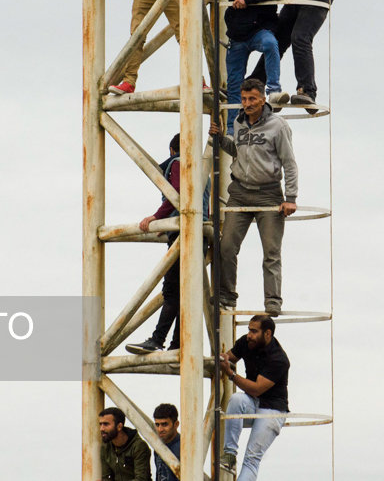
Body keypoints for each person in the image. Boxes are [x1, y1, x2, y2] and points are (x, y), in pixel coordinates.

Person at [209, 79, 297, 316]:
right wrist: (219, 139)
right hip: (239, 192)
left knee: (271, 252)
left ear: (263, 99)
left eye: (252, 99)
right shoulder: (238, 122)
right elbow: (237, 151)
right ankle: (227, 295)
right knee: (226, 246)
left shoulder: (278, 126)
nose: (247, 104)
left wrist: (291, 197)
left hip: (269, 193)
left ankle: (273, 302)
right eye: (244, 99)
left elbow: (289, 163)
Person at [126, 134, 210, 354]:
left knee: (172, 290)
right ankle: (177, 342)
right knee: (187, 290)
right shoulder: (203, 172)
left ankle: (157, 339)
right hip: (201, 231)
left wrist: (156, 218)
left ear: (172, 150)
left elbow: (177, 195)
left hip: (183, 232)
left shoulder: (176, 163)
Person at [220, 0, 289, 133]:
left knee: (270, 44)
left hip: (258, 28)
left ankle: (274, 91)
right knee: (234, 85)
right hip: (238, 34)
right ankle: (234, 132)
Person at [217, 315, 289, 481]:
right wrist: (222, 359)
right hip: (253, 403)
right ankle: (229, 456)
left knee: (251, 459)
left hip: (273, 410)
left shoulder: (279, 359)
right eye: (249, 330)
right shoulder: (246, 342)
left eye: (254, 331)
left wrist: (231, 374)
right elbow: (229, 357)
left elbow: (257, 389)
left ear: (267, 334)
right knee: (236, 399)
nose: (249, 334)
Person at [99, 407, 152, 481]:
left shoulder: (138, 446)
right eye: (100, 424)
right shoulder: (105, 447)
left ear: (119, 426)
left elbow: (141, 479)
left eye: (106, 424)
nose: (102, 428)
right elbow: (106, 478)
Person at [152, 403, 181, 481]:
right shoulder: (158, 447)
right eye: (157, 425)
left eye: (164, 424)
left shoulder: (184, 447)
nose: (160, 429)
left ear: (176, 424)